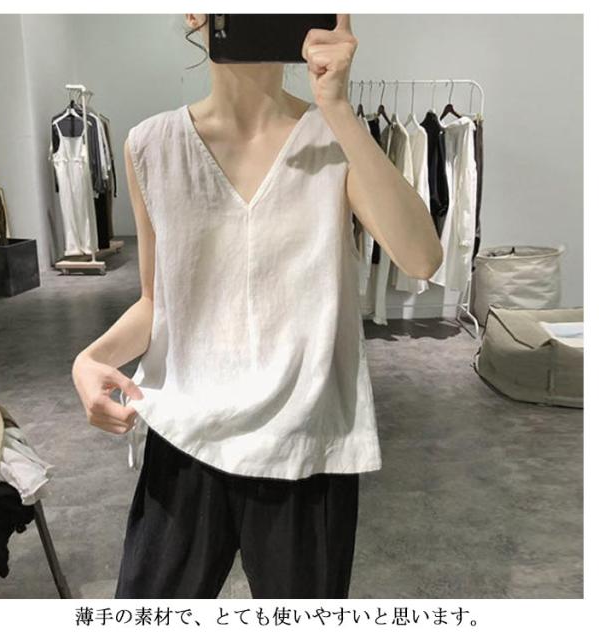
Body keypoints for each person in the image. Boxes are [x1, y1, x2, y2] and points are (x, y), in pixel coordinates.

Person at [71, 13, 442, 599]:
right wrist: (90, 359)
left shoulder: (334, 139)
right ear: (195, 13)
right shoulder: (151, 146)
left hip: (306, 444)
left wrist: (338, 108)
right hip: (186, 435)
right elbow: (157, 301)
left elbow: (421, 258)